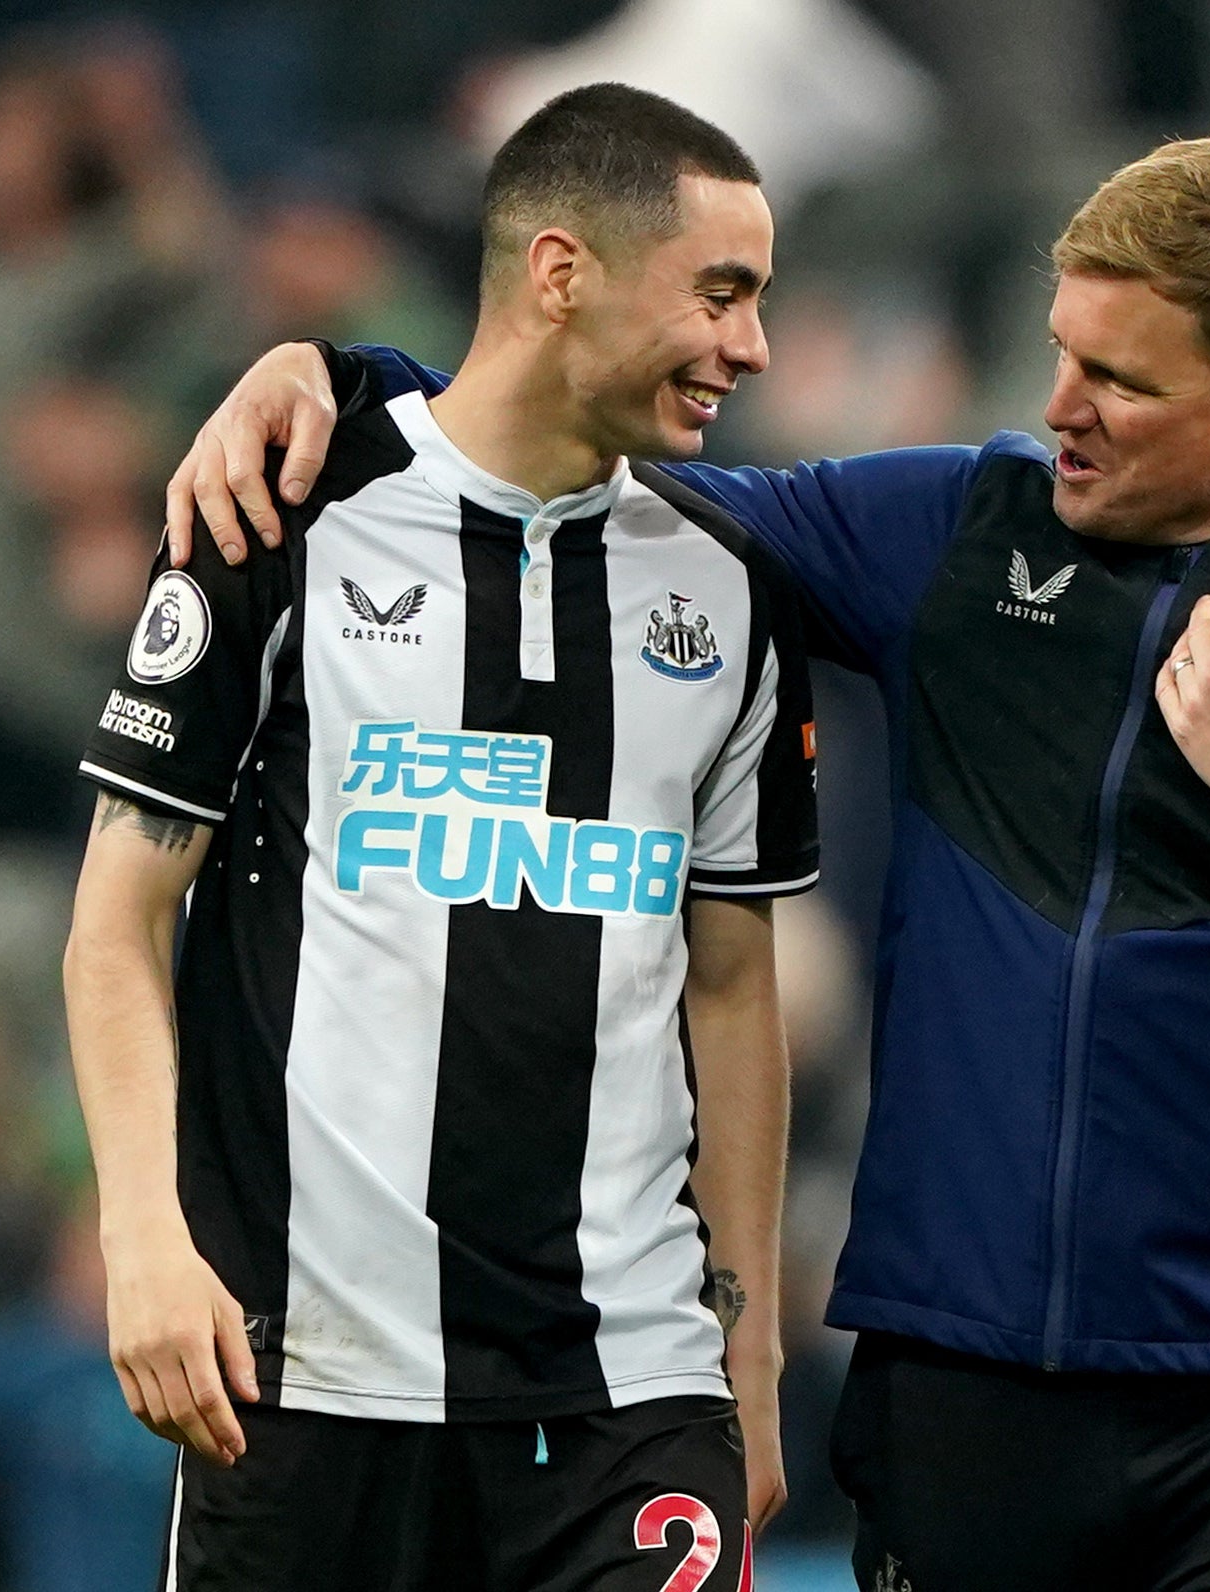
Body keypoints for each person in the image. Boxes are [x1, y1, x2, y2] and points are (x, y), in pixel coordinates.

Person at [172, 127, 1210, 1592]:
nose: (1062, 410)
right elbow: (610, 462)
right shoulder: (966, 535)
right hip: (958, 1390)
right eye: (1061, 353)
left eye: (1121, 380)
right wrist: (353, 388)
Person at [64, 84, 816, 1590]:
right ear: (560, 273)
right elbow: (117, 923)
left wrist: (749, 1352)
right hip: (303, 1376)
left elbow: (732, 986)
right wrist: (143, 1238)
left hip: (627, 1389)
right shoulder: (276, 508)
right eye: (719, 295)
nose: (752, 347)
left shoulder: (732, 585)